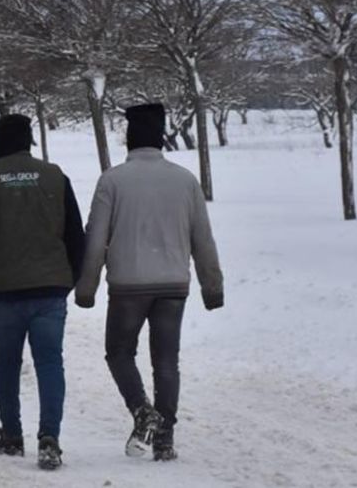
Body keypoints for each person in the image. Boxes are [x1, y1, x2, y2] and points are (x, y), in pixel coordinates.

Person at [74, 103, 225, 462]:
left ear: (129, 140)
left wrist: (87, 286)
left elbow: (96, 237)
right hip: (174, 284)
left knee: (120, 353)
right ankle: (164, 440)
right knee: (167, 361)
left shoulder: (112, 180)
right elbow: (203, 238)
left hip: (128, 285)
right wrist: (212, 286)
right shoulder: (185, 180)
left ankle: (143, 411)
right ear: (161, 139)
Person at [0, 114, 86, 471]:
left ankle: (12, 435)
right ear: (29, 141)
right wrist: (68, 277)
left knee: (6, 363)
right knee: (49, 361)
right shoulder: (55, 177)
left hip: (2, 290)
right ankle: (50, 438)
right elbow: (75, 234)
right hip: (50, 289)